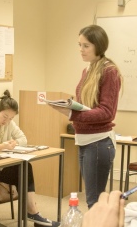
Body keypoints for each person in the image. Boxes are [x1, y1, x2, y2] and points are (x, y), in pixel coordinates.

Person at [50, 24, 122, 209]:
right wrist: (70, 107)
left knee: (94, 202)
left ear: (98, 46)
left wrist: (73, 114)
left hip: (98, 143)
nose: (81, 50)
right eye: (79, 45)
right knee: (91, 200)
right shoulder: (88, 71)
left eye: (86, 46)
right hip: (83, 140)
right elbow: (87, 106)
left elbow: (107, 112)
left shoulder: (109, 71)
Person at [0, 90, 60, 227]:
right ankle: (32, 213)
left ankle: (32, 212)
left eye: (11, 118)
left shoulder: (9, 124)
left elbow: (23, 139)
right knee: (23, 169)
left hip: (1, 165)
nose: (7, 121)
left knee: (25, 167)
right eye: (5, 116)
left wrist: (13, 144)